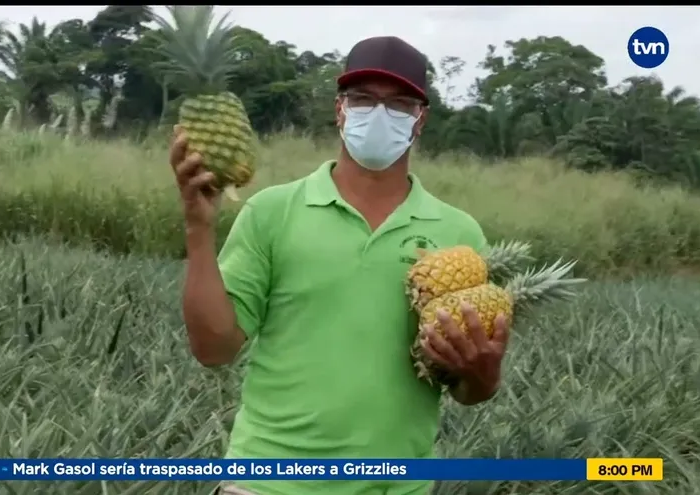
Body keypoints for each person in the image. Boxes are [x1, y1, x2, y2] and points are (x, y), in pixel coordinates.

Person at [169, 36, 511, 495]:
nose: (379, 114)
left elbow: (467, 390)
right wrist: (198, 228)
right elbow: (214, 350)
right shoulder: (272, 211)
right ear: (340, 110)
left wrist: (483, 373)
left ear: (420, 119)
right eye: (363, 99)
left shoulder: (461, 235)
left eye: (399, 104)